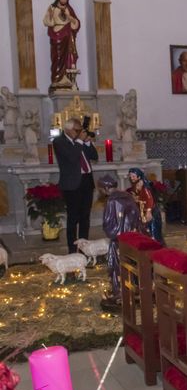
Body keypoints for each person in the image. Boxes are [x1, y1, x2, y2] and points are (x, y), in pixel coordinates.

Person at [53, 118, 98, 253]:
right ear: (68, 129)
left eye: (80, 131)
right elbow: (72, 157)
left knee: (85, 217)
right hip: (72, 185)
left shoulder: (80, 142)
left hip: (86, 182)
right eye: (77, 130)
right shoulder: (59, 142)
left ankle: (84, 248)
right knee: (73, 218)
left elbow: (94, 156)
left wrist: (88, 143)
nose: (79, 133)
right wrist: (79, 141)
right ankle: (72, 250)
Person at [99, 175, 143, 305]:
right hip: (132, 237)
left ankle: (120, 292)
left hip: (119, 239)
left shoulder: (112, 201)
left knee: (117, 265)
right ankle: (135, 289)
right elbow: (136, 215)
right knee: (133, 263)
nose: (100, 191)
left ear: (106, 187)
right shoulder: (127, 196)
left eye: (101, 188)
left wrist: (113, 234)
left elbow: (108, 223)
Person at [42, 0, 80, 90]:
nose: (64, 0)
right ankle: (56, 79)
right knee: (57, 56)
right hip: (56, 34)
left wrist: (70, 17)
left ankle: (65, 79)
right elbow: (47, 21)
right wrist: (50, 15)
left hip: (66, 35)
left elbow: (76, 23)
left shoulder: (69, 9)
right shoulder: (52, 8)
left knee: (66, 55)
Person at [127, 168, 164, 244]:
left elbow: (149, 198)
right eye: (130, 176)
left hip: (150, 213)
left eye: (133, 176)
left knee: (152, 233)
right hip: (142, 212)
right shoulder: (135, 186)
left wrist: (148, 211)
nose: (131, 178)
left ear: (139, 177)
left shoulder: (144, 186)